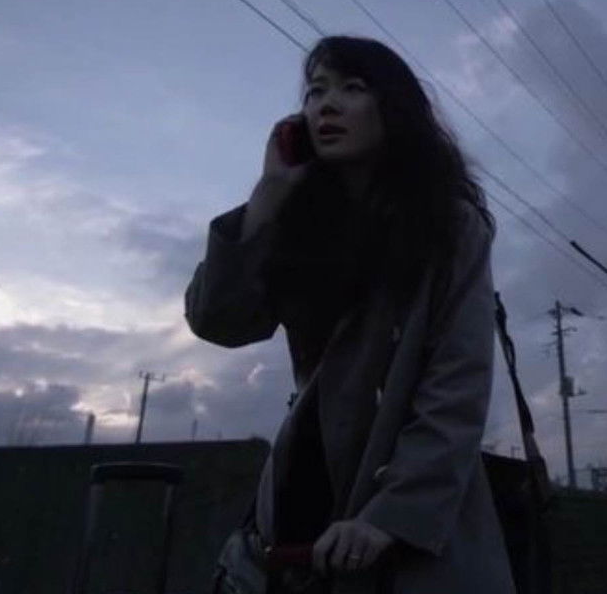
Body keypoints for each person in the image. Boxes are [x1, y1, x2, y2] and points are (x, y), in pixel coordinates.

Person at [185, 36, 513, 593]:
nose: (326, 106)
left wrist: (392, 515)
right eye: (315, 92)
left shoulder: (450, 227)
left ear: (394, 109)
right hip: (296, 508)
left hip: (403, 512)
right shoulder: (298, 223)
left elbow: (457, 383)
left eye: (352, 88)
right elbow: (218, 320)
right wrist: (268, 195)